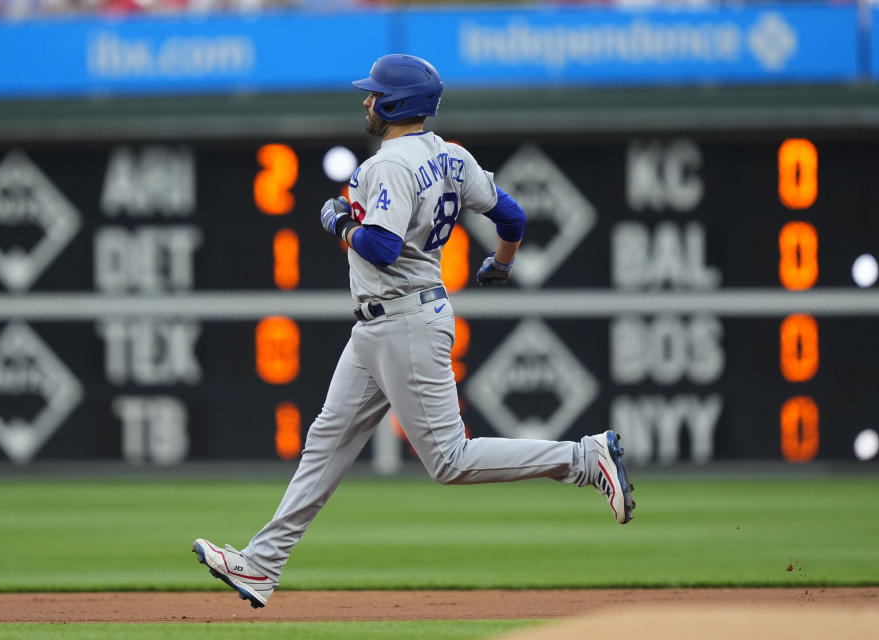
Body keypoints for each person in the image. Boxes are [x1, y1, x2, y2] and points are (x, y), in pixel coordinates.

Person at [192, 53, 636, 609]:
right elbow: (513, 217)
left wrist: (338, 222)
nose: (366, 100)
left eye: (374, 94)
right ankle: (262, 564)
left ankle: (583, 458)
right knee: (325, 445)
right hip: (385, 325)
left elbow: (378, 246)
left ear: (397, 103)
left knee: (449, 460)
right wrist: (501, 263)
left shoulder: (390, 164)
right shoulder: (451, 156)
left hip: (403, 319)